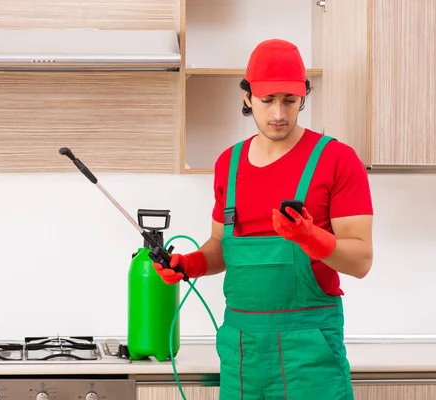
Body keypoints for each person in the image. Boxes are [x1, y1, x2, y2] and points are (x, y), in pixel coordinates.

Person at [153, 38, 374, 400]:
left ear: (304, 96)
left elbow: (361, 260)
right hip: (242, 355)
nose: (278, 114)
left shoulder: (337, 160)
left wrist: (310, 237)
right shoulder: (229, 164)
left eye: (289, 100)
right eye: (267, 100)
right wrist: (189, 264)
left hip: (310, 355)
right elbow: (221, 248)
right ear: (247, 97)